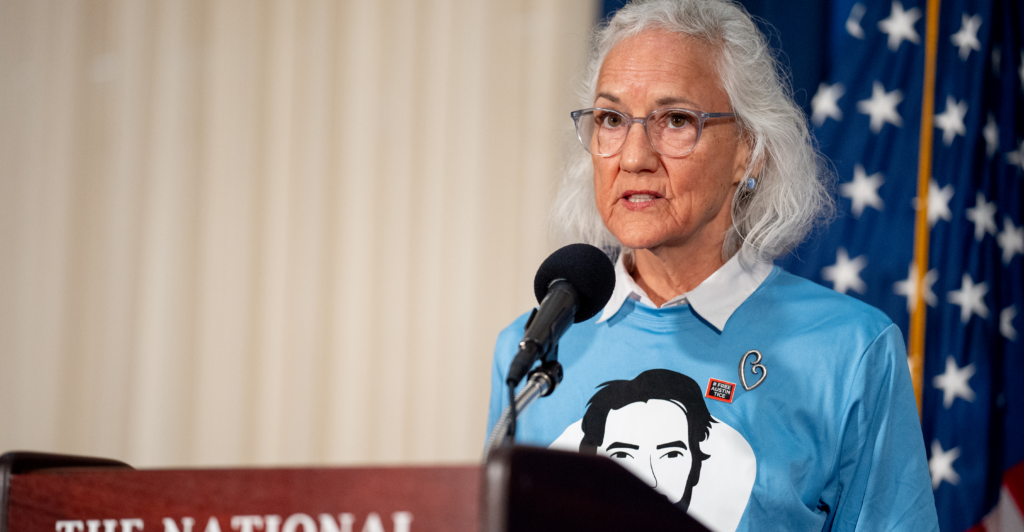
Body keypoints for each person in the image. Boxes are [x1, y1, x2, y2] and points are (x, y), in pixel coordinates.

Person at [486, 0, 940, 531]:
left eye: (676, 120)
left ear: (749, 151)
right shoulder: (530, 349)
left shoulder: (850, 350)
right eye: (611, 119)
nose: (633, 157)